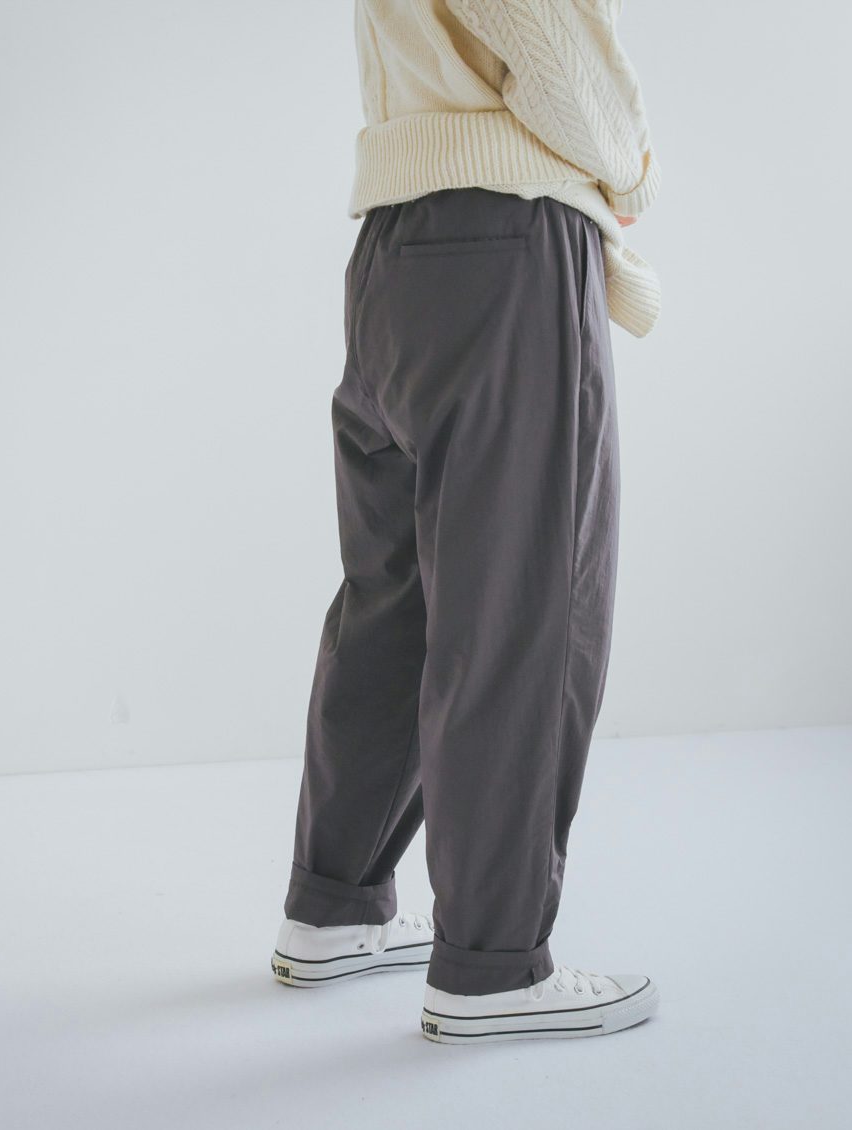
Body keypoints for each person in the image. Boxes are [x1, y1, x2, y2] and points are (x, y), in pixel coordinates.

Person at [270, 0, 662, 1044]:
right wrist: (628, 169)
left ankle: (334, 905)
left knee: (392, 602)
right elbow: (543, 42)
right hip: (506, 244)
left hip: (394, 245)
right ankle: (491, 965)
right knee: (519, 606)